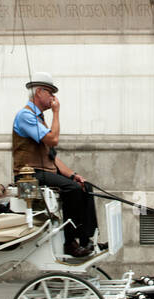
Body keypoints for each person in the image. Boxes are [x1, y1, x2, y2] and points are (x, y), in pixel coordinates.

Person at [11, 75, 98, 258]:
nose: (53, 98)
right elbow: (54, 140)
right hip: (29, 175)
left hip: (43, 172)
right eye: (50, 93)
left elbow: (53, 157)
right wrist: (57, 113)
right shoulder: (26, 115)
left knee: (83, 186)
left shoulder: (39, 119)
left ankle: (86, 237)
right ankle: (69, 242)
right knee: (72, 189)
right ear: (39, 92)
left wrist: (73, 174)